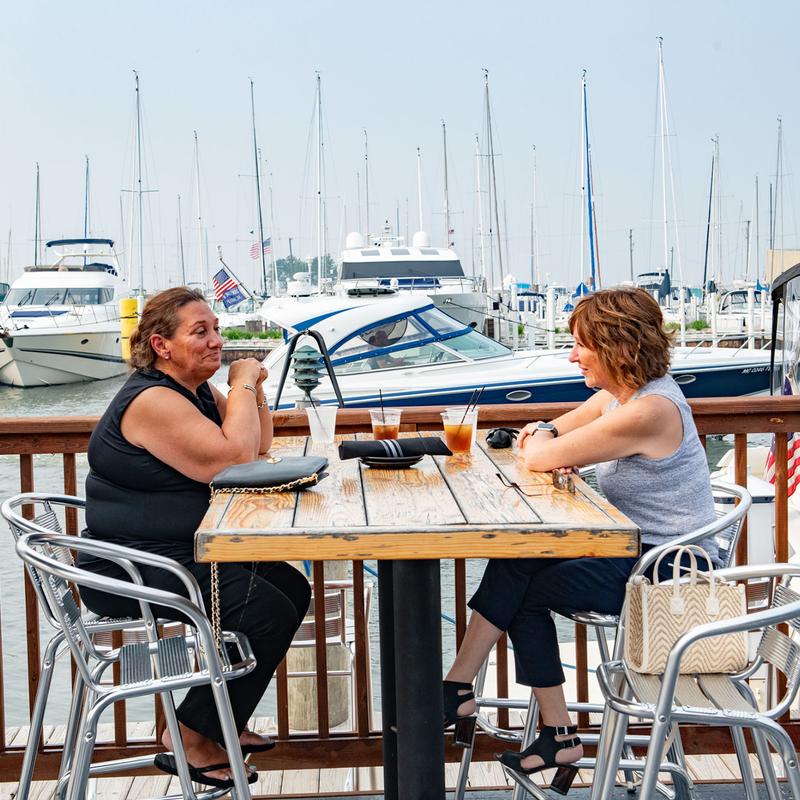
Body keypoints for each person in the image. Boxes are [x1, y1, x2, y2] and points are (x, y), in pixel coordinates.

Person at [443, 287, 718, 794]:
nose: (572, 356)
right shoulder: (619, 398)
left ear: (617, 346)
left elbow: (538, 452)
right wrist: (547, 435)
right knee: (518, 560)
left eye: (580, 345)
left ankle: (512, 713)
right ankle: (474, 696)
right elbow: (548, 432)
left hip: (669, 574)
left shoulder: (648, 411)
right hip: (633, 551)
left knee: (521, 587)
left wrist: (546, 442)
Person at [77, 287, 311, 790]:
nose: (216, 341)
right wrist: (242, 380)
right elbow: (234, 459)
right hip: (131, 567)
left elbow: (258, 444)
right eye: (200, 332)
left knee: (291, 587)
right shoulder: (153, 400)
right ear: (161, 345)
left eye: (216, 329)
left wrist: (251, 388)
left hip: (175, 554)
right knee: (263, 609)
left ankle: (218, 720)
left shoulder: (195, 390)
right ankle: (188, 734)